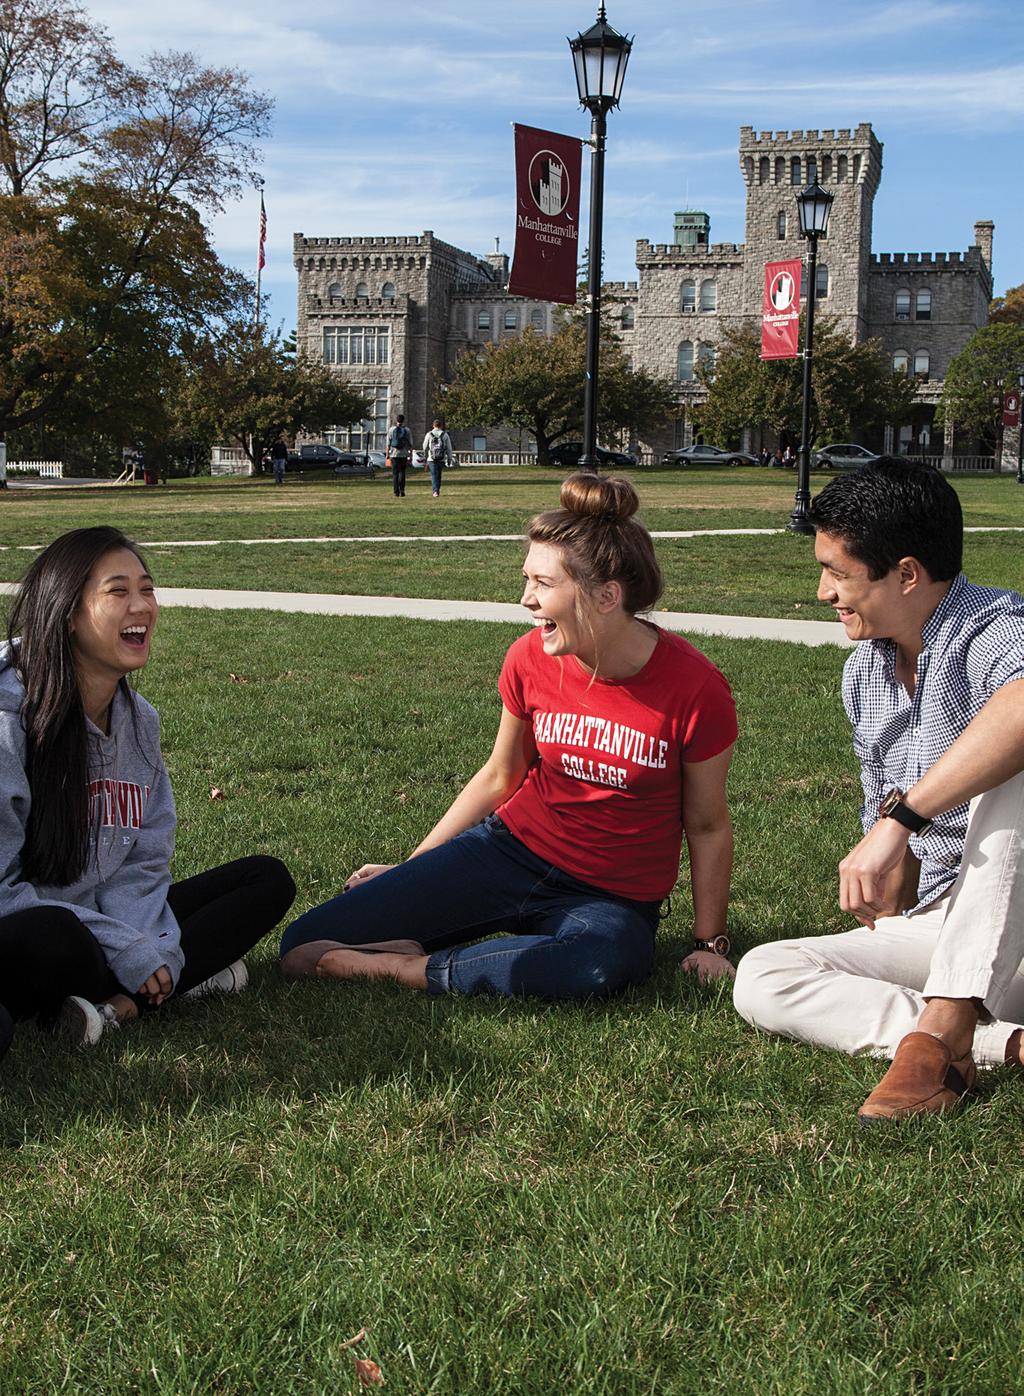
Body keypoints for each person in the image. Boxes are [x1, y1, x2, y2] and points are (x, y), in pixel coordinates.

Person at [280, 473, 737, 1001]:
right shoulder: (529, 658)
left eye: (544, 584)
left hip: (609, 897)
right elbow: (501, 776)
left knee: (595, 964)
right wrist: (414, 866)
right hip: (507, 853)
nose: (526, 599)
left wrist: (711, 943)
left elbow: (706, 825)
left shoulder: (696, 688)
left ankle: (410, 969)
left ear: (607, 595)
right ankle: (467, 953)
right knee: (304, 944)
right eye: (528, 579)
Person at [733, 458, 1024, 1121]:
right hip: (952, 935)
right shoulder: (864, 672)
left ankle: (946, 1031)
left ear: (908, 574)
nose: (822, 592)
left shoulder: (996, 628)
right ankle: (996, 1044)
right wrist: (895, 875)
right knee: (764, 976)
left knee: (1016, 770)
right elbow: (895, 852)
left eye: (838, 573)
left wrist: (901, 822)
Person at [0, 526, 296, 1058]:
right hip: (29, 927)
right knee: (53, 935)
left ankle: (116, 1007)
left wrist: (148, 941)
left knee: (266, 880)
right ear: (69, 612)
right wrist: (127, 946)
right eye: (118, 591)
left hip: (106, 925)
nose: (142, 605)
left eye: (148, 588)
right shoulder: (10, 722)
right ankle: (169, 980)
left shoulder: (140, 724)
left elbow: (144, 861)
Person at [422, 419, 452, 498]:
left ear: (433, 425)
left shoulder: (429, 434)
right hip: (441, 458)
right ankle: (437, 490)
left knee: (434, 474)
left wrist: (425, 456)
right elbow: (449, 448)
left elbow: (425, 447)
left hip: (431, 458)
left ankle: (435, 491)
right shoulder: (445, 435)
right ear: (441, 426)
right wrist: (449, 459)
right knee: (438, 475)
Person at [387, 415, 413, 498]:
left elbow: (388, 443)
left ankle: (396, 492)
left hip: (394, 454)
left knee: (395, 474)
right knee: (402, 472)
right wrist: (410, 455)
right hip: (404, 454)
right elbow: (410, 444)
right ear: (403, 420)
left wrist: (387, 454)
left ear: (396, 420)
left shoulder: (391, 430)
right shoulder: (407, 430)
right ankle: (402, 490)